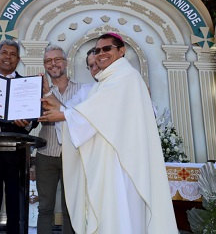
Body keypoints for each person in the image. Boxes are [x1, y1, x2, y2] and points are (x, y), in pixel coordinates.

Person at [39, 33, 178, 233]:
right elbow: (88, 113)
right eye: (97, 50)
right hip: (109, 159)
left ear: (121, 51)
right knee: (111, 211)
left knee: (121, 211)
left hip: (122, 161)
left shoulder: (125, 76)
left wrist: (62, 116)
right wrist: (56, 105)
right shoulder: (106, 81)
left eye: (107, 49)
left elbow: (93, 113)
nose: (101, 54)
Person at [0, 39, 39, 234]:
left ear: (18, 59)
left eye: (13, 54)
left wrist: (27, 123)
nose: (8, 57)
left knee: (17, 204)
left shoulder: (26, 85)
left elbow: (33, 119)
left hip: (17, 152)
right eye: (4, 53)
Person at [36, 44, 90, 234]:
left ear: (66, 62)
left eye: (57, 59)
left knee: (71, 208)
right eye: (48, 61)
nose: (53, 64)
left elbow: (80, 118)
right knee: (45, 208)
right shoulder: (37, 91)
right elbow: (29, 120)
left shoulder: (83, 90)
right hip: (46, 154)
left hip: (74, 154)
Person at [28, 163, 38, 234]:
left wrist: (38, 198)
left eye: (33, 173)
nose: (31, 174)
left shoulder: (40, 184)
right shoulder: (26, 184)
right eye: (30, 173)